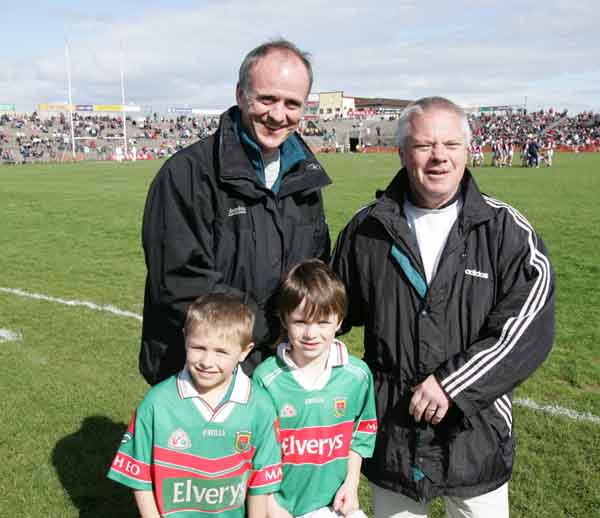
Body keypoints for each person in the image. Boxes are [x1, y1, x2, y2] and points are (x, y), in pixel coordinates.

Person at [332, 97, 555, 517]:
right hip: (393, 437)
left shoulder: (505, 231)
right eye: (424, 145)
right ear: (402, 153)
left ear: (468, 150)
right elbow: (327, 313)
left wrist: (452, 385)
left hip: (475, 437)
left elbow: (528, 329)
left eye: (451, 144)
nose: (439, 156)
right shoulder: (367, 230)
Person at [139, 40, 332, 385]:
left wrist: (305, 330)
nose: (278, 115)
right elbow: (180, 281)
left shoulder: (305, 176)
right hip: (202, 374)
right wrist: (268, 329)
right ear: (241, 95)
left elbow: (314, 267)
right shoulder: (187, 174)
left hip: (280, 370)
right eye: (267, 99)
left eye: (292, 103)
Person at [108, 293, 282, 518]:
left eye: (221, 351)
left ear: (244, 351)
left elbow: (260, 483)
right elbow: (139, 478)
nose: (207, 362)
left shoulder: (260, 406)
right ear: (185, 338)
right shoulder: (157, 403)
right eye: (199, 347)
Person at [253, 259, 377, 518]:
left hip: (336, 506)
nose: (311, 333)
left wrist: (352, 484)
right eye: (300, 321)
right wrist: (271, 507)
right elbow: (253, 452)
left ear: (339, 321)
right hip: (280, 509)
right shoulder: (266, 378)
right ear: (284, 319)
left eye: (322, 322)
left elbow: (361, 434)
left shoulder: (357, 375)